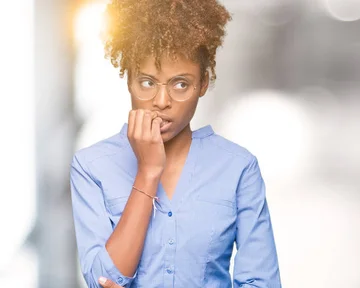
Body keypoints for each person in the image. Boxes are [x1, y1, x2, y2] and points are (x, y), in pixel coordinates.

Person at [69, 0, 281, 287]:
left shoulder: (238, 168)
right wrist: (147, 172)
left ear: (203, 84)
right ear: (128, 80)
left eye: (180, 84)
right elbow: (102, 280)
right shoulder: (91, 166)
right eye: (147, 83)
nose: (161, 101)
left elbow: (261, 282)